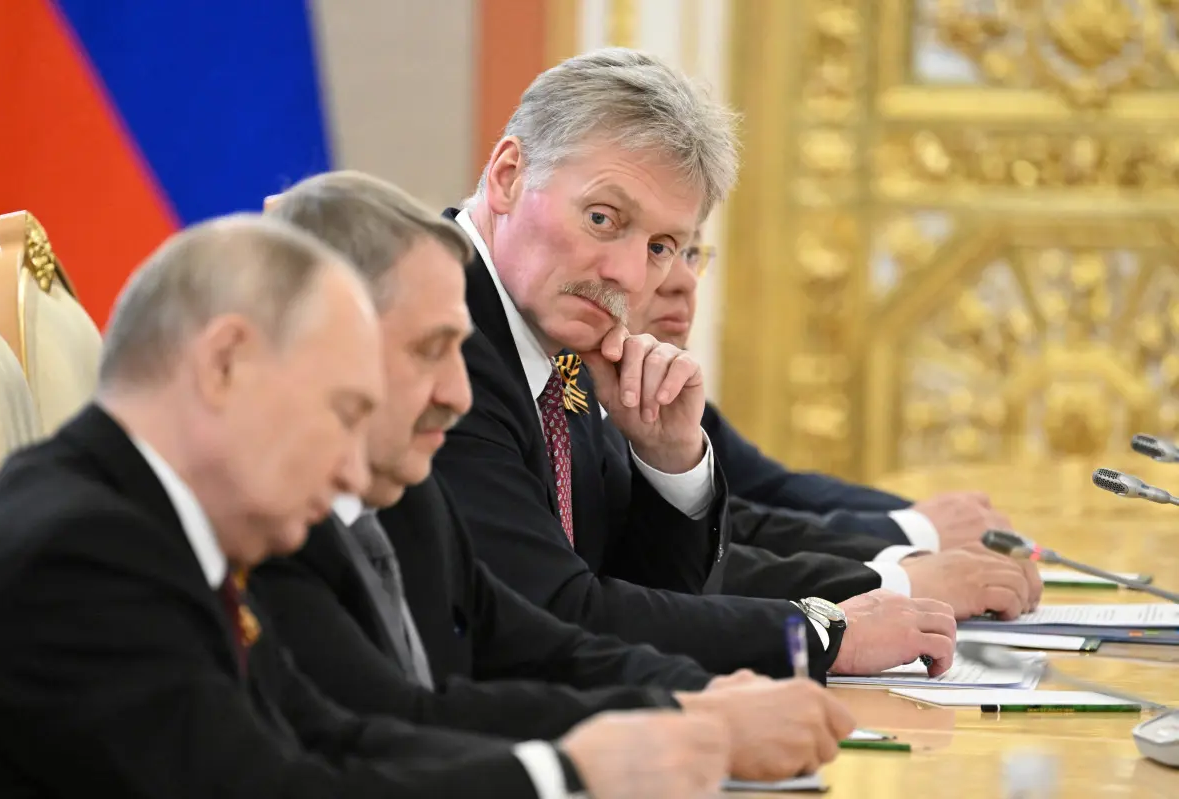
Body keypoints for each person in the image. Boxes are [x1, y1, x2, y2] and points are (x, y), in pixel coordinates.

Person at [0, 214, 733, 799]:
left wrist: (616, 744)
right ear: (226, 363)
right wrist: (563, 774)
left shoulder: (145, 520)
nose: (350, 463)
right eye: (341, 411)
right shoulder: (79, 554)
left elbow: (330, 735)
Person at [252, 170, 857, 782]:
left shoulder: (414, 490)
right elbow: (389, 718)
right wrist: (594, 760)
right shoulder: (258, 530)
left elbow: (532, 641)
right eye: (429, 350)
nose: (458, 394)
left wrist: (702, 701)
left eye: (667, 247)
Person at [433, 46, 958, 679]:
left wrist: (669, 460)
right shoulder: (440, 332)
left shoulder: (558, 340)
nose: (629, 276)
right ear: (509, 175)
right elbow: (550, 616)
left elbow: (638, 586)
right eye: (603, 218)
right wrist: (818, 637)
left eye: (662, 246)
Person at [633, 230, 1044, 619]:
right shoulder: (588, 403)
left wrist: (919, 529)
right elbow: (667, 572)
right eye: (658, 249)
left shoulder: (670, 396)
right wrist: (901, 570)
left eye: (691, 252)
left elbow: (764, 493)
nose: (684, 281)